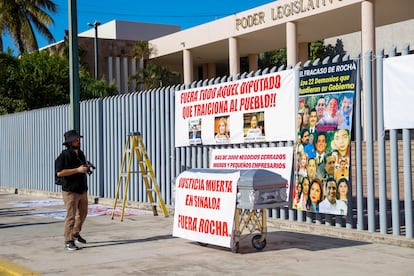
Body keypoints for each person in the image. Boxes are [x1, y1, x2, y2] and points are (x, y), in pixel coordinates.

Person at [55, 130, 91, 251]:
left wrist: (86, 167)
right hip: (70, 191)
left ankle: (76, 233)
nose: (78, 141)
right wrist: (77, 170)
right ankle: (68, 241)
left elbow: (82, 167)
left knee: (83, 213)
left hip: (82, 189)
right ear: (69, 142)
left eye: (78, 139)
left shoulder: (80, 153)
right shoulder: (64, 156)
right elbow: (59, 172)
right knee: (71, 216)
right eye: (75, 139)